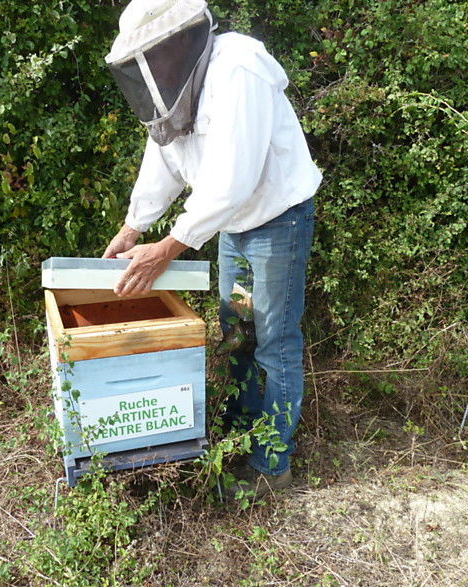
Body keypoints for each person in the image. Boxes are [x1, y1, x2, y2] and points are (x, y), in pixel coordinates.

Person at [102, 0, 321, 499]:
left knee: (274, 343)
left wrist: (168, 247)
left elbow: (232, 180)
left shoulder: (238, 68)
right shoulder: (176, 92)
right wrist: (133, 227)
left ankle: (271, 465)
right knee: (237, 333)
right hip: (233, 230)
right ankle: (240, 434)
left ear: (180, 40)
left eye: (151, 55)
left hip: (277, 225)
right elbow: (163, 162)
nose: (149, 70)